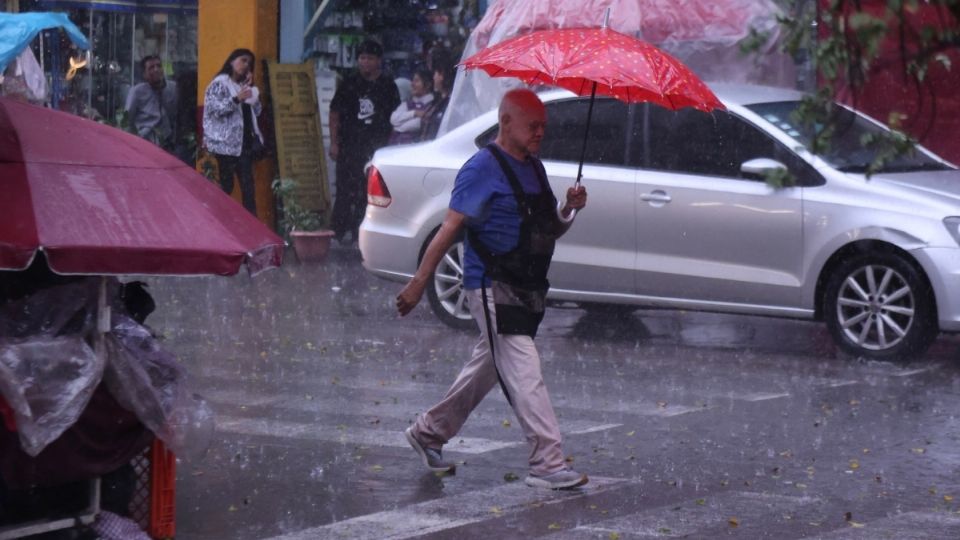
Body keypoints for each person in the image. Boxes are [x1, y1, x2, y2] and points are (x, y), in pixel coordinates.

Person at [396, 89, 589, 490]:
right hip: (489, 284)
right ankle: (547, 462)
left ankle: (428, 432)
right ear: (505, 123)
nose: (540, 133)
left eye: (543, 127)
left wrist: (568, 208)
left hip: (525, 286)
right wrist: (418, 284)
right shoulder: (481, 168)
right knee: (523, 369)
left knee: (487, 367)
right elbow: (449, 228)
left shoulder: (533, 168)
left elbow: (548, 228)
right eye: (533, 126)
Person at [328, 39, 400, 245]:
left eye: (369, 58)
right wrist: (334, 142)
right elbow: (335, 113)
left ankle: (363, 231)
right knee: (344, 188)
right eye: (361, 58)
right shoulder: (349, 83)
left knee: (368, 191)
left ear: (378, 61)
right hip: (349, 144)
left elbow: (396, 117)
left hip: (376, 147)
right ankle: (338, 230)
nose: (364, 62)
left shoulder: (387, 85)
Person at [202, 48, 265, 215]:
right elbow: (214, 110)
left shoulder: (241, 86)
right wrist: (237, 99)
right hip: (225, 146)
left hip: (243, 145)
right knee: (226, 186)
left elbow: (257, 111)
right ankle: (219, 221)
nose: (246, 65)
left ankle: (252, 229)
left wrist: (252, 91)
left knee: (248, 189)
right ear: (232, 61)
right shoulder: (220, 83)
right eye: (243, 60)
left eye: (249, 63)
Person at [125, 55, 179, 151]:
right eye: (151, 68)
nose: (156, 70)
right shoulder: (137, 92)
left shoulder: (173, 88)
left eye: (159, 66)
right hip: (146, 143)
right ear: (144, 74)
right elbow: (127, 120)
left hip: (169, 144)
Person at [388, 68, 434, 145]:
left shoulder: (432, 105)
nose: (412, 84)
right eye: (412, 81)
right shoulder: (407, 104)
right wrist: (414, 113)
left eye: (416, 81)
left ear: (428, 85)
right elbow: (393, 119)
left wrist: (397, 128)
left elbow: (417, 124)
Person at [419, 60, 455, 141]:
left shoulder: (451, 103)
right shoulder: (437, 101)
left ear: (442, 76)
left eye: (435, 74)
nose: (433, 77)